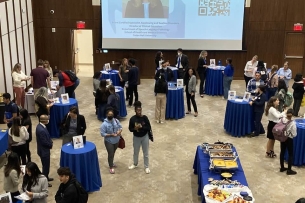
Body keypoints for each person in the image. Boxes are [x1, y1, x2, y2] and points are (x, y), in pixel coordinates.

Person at [128, 105, 152, 174]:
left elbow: (149, 127)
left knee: (146, 152)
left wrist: (142, 127)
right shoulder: (132, 119)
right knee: (136, 152)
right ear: (135, 111)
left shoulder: (145, 118)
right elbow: (130, 129)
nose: (139, 112)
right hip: (136, 137)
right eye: (138, 110)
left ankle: (146, 166)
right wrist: (134, 129)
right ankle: (135, 164)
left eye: (140, 110)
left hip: (144, 137)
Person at [100, 109, 123, 174]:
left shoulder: (116, 120)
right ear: (107, 115)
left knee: (113, 152)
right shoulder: (104, 124)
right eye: (109, 114)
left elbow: (120, 127)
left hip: (117, 140)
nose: (110, 115)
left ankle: (112, 162)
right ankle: (111, 167)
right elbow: (102, 134)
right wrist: (110, 135)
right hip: (109, 141)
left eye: (111, 114)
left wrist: (119, 131)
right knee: (110, 154)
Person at [36, 115, 53, 187]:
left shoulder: (40, 126)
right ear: (44, 121)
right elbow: (44, 142)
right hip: (44, 151)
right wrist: (50, 144)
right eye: (47, 119)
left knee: (46, 166)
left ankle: (46, 177)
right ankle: (45, 181)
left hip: (43, 150)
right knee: (45, 166)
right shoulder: (41, 130)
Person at [279, 108, 297, 175]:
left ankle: (282, 167)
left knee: (282, 152)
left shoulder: (282, 119)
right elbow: (294, 134)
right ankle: (289, 170)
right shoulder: (292, 123)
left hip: (282, 137)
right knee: (290, 154)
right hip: (289, 139)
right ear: (292, 115)